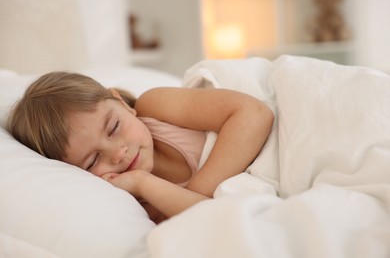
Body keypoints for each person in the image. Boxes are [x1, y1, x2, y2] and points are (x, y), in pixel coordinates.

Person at [7, 72, 274, 223]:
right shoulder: (135, 205)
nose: (118, 153)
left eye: (113, 128)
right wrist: (142, 183)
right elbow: (210, 221)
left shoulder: (154, 107)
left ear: (121, 104)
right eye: (92, 162)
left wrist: (196, 194)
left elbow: (254, 113)